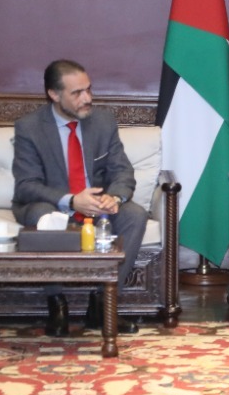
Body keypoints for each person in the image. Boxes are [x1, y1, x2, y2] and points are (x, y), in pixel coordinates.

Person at [12, 59, 148, 337]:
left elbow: (122, 171)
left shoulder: (103, 122)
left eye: (88, 89)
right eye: (77, 93)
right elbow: (26, 185)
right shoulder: (30, 128)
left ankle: (102, 305)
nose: (87, 98)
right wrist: (72, 200)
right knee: (41, 214)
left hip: (96, 206)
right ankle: (56, 305)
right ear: (54, 94)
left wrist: (114, 198)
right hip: (54, 204)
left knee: (135, 214)